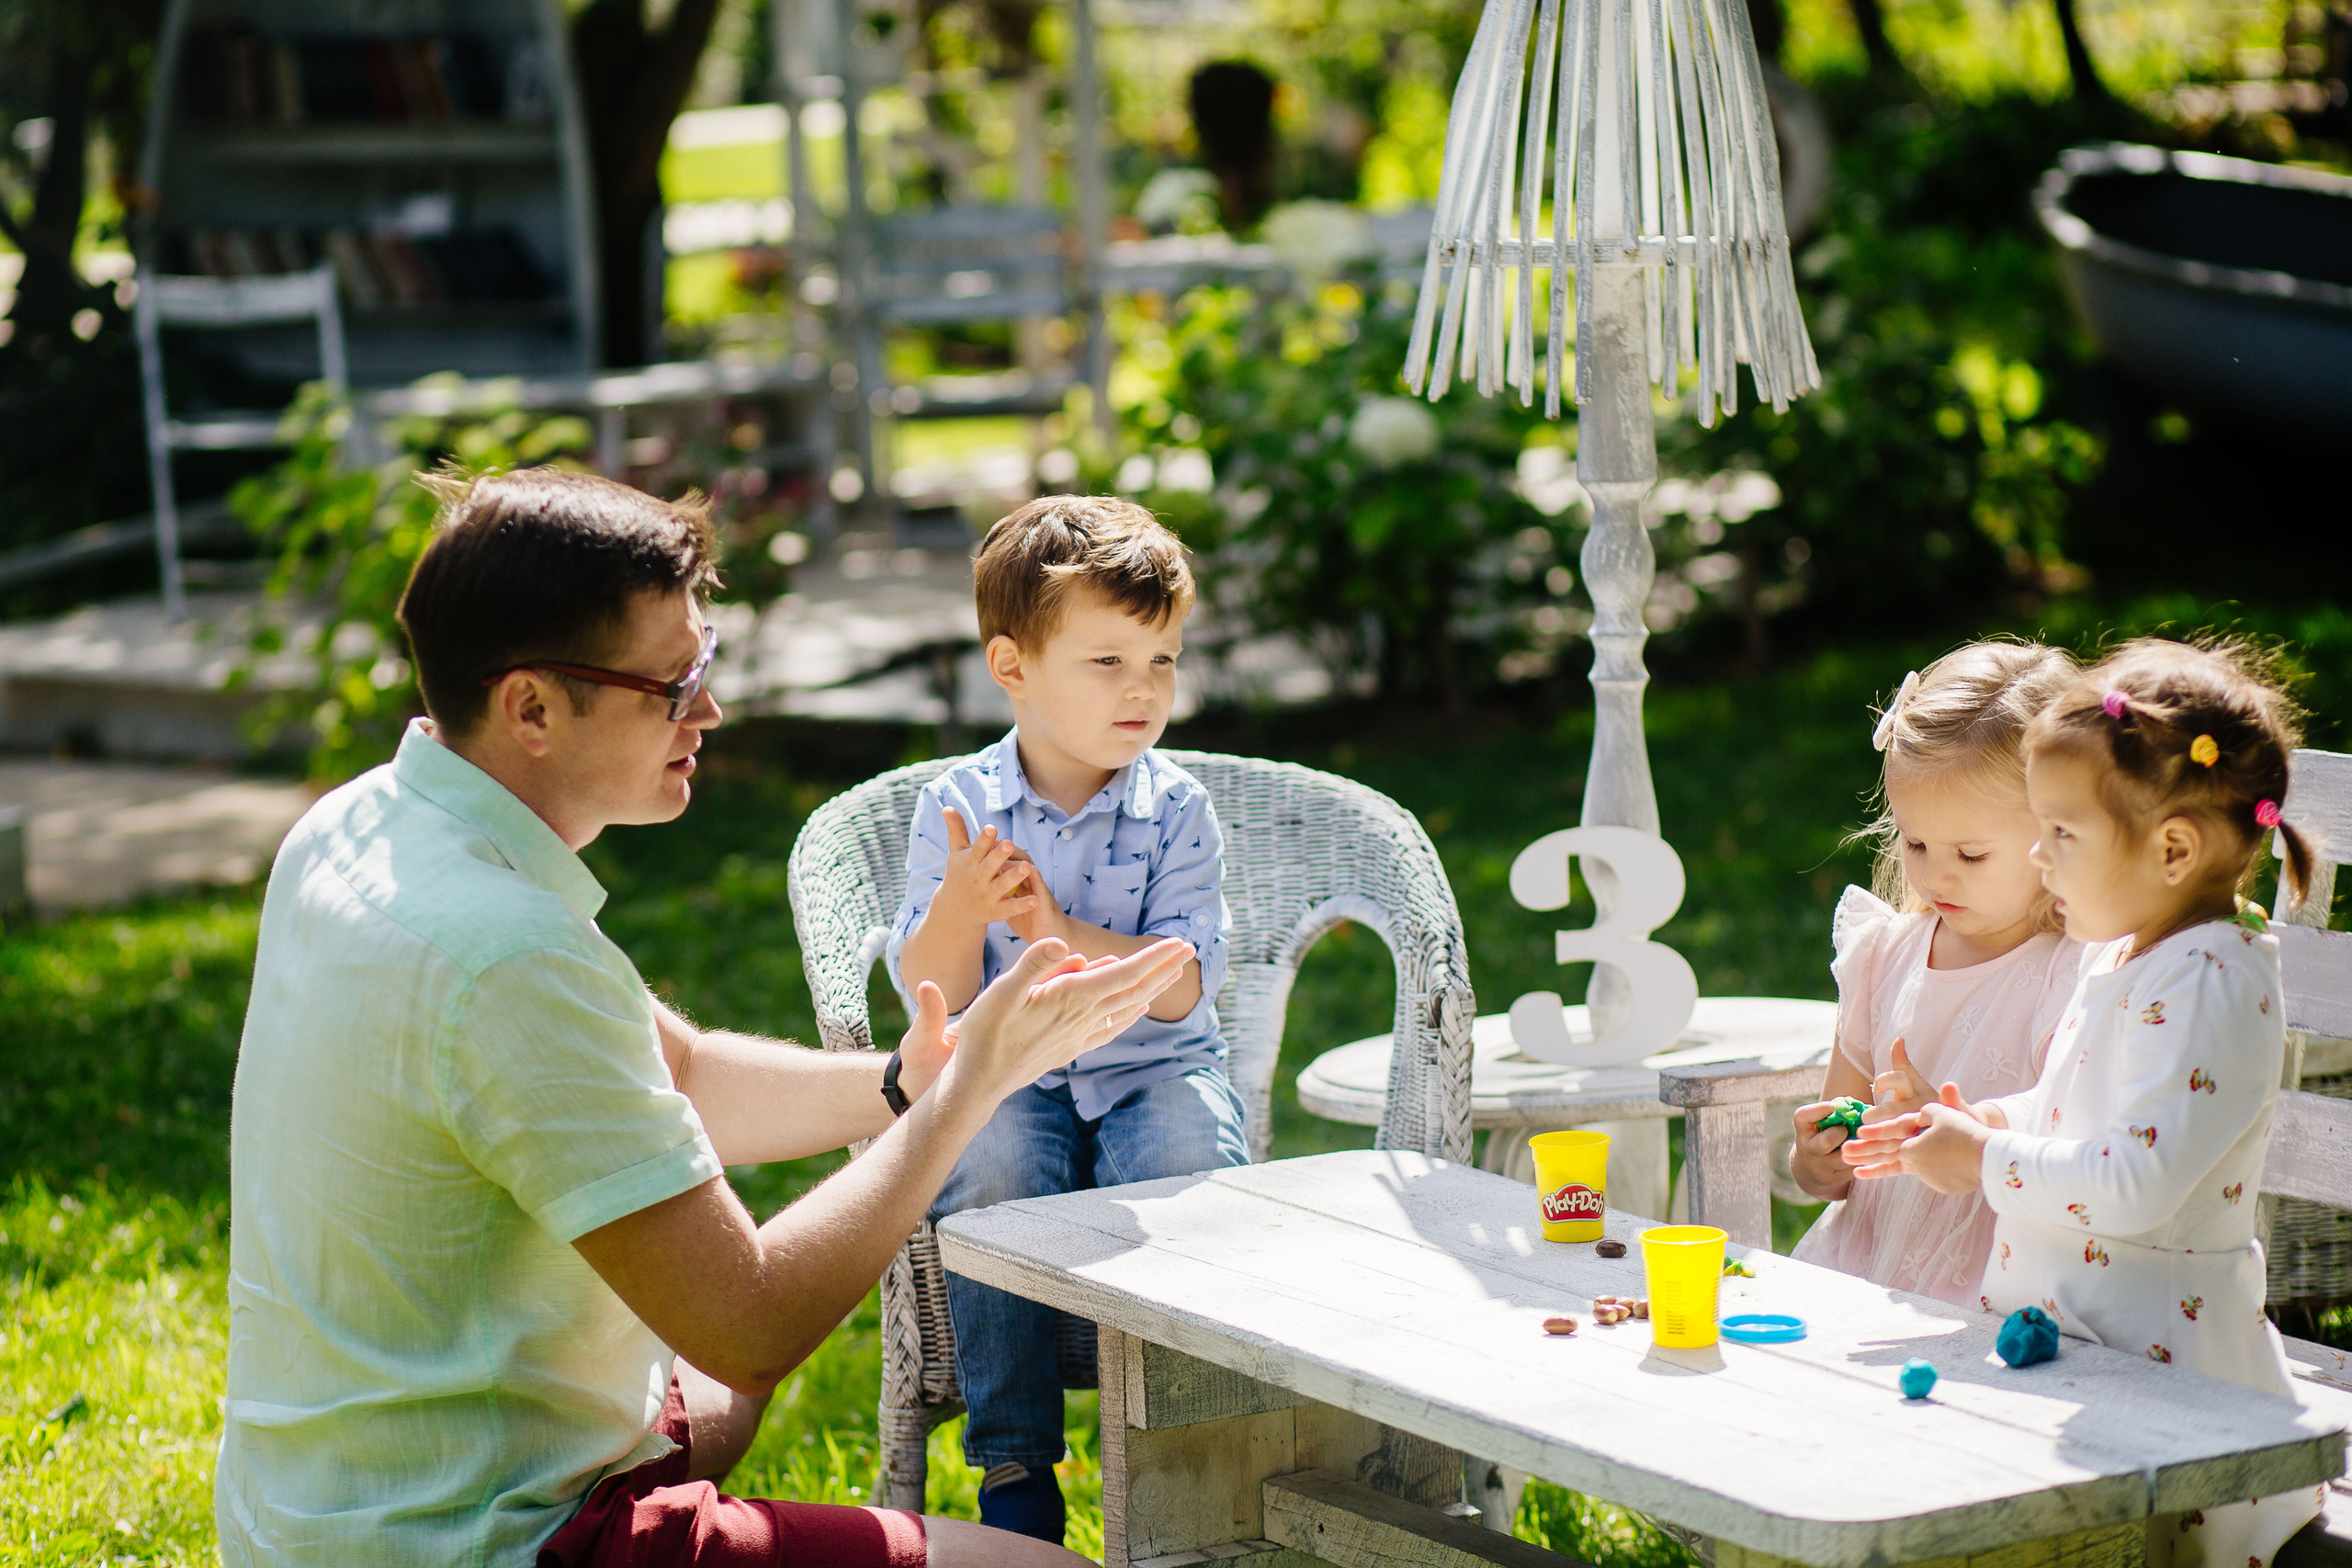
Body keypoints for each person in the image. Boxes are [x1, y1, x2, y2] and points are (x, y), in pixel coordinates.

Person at [215, 468, 1195, 1568]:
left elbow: (670, 1067)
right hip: (488, 1537)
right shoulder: (505, 957)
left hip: (315, 1511)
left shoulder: (364, 825)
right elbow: (752, 1324)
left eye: (705, 666)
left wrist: (915, 1075)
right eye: (672, 685)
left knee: (709, 1401)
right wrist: (973, 1095)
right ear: (530, 706)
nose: (710, 710)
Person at [1845, 637, 2322, 1568]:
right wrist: (1989, 1123)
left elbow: (2136, 1182)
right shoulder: (2133, 956)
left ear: (2172, 848)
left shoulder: (2214, 984)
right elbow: (2080, 1106)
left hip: (2172, 1388)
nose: (2037, 854)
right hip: (2092, 1362)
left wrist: (1981, 1164)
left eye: (2060, 833)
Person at [887, 496, 1249, 1542]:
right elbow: (935, 993)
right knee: (991, 1157)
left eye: (1164, 660)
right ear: (1012, 669)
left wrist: (1054, 924)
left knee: (1188, 1144)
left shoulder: (1176, 806)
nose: (1144, 689)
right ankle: (1015, 1467)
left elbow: (1179, 984)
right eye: (1108, 663)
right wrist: (962, 906)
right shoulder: (959, 806)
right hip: (1017, 1074)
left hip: (1153, 1066)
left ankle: (1191, 1428)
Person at [1786, 641, 2086, 1307]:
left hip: (1989, 1295)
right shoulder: (1882, 955)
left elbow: (2076, 1160)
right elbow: (1840, 1154)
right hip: (1860, 1276)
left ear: (2059, 830)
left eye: (1971, 853)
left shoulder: (2070, 975)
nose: (1935, 873)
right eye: (1916, 843)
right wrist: (1817, 1161)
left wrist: (1959, 1129)